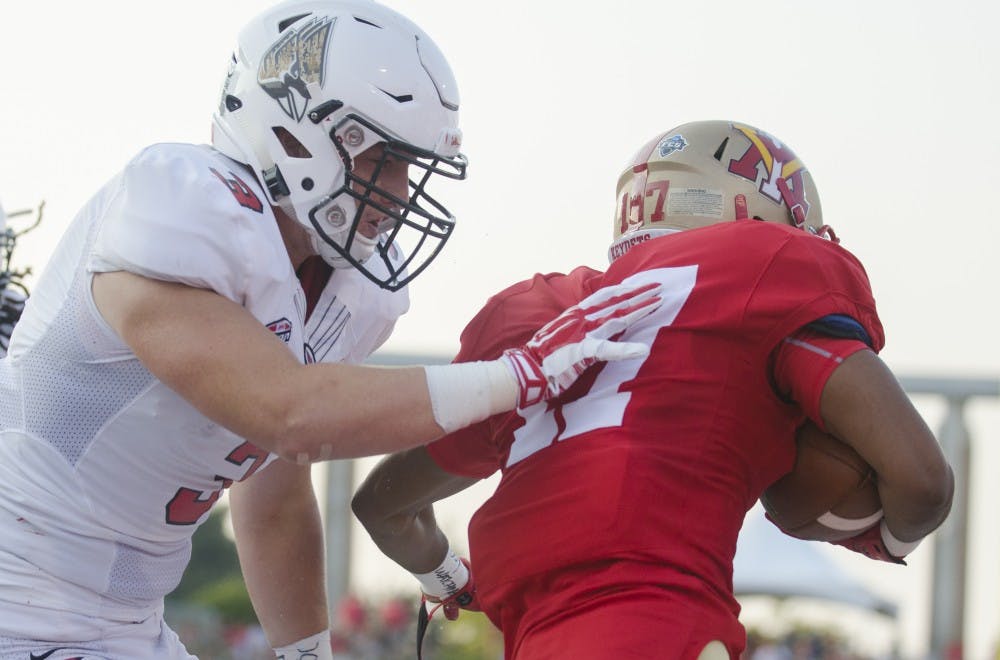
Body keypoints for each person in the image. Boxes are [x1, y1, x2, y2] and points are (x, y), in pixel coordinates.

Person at [0, 1, 663, 658]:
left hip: (123, 623)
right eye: (384, 157)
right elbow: (291, 415)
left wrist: (309, 653)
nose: (402, 191)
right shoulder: (183, 209)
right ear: (292, 133)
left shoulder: (341, 287)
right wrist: (518, 376)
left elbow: (275, 490)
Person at [351, 120, 955, 659]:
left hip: (539, 639)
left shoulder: (541, 326)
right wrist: (881, 533)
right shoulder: (765, 272)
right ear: (768, 220)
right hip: (662, 625)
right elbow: (923, 479)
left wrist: (450, 580)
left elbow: (382, 505)